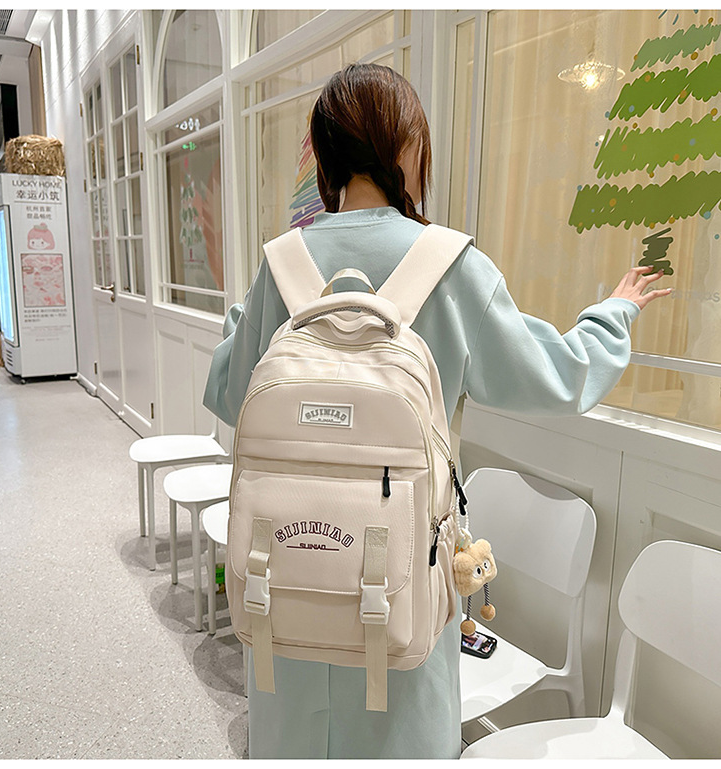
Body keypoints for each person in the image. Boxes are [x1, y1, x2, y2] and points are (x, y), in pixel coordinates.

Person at [203, 63, 671, 759]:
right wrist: (615, 313)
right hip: (400, 582)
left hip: (290, 577)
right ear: (409, 146)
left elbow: (227, 388)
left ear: (325, 157)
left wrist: (250, 298)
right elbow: (559, 377)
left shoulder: (282, 263)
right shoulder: (451, 264)